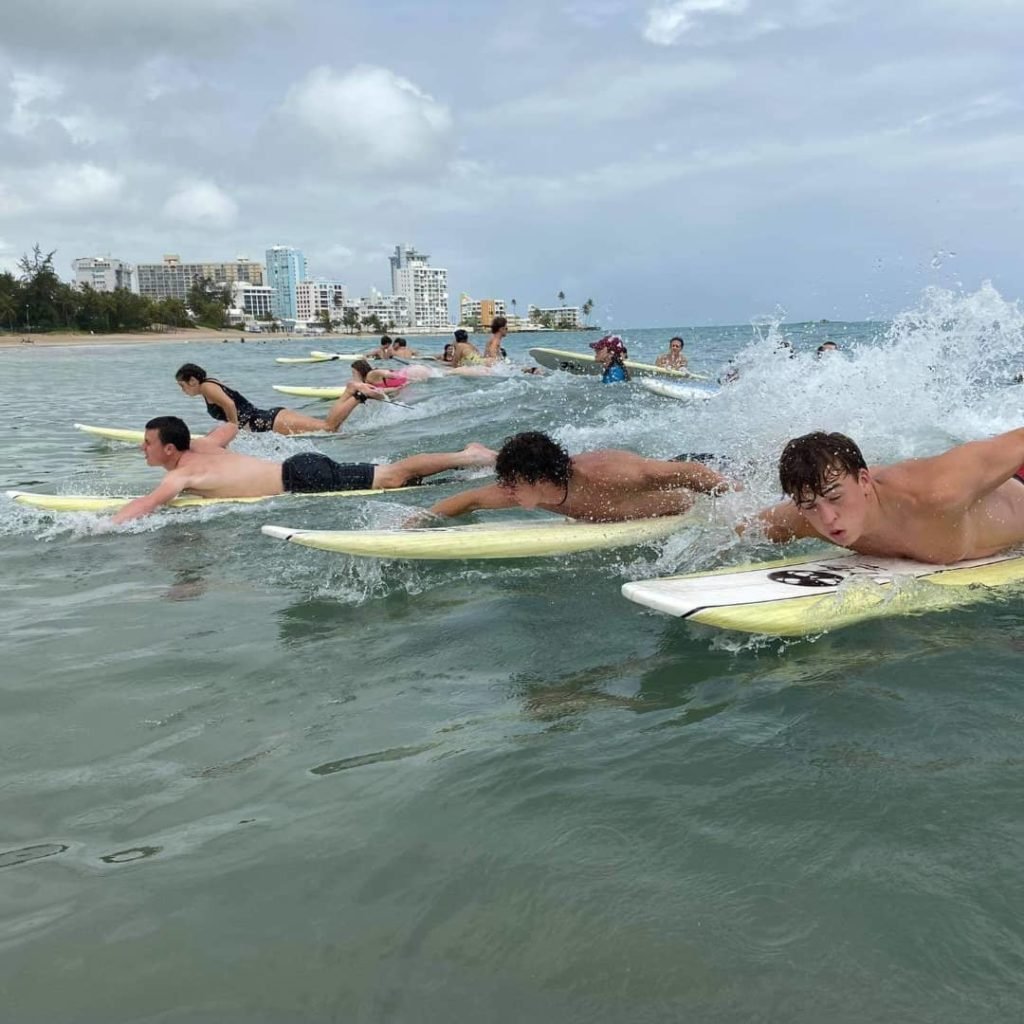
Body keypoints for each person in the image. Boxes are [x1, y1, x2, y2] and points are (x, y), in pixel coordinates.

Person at [111, 416, 497, 524]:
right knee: (393, 477)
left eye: (147, 443)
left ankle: (469, 456)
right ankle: (463, 461)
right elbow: (229, 426)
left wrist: (101, 524)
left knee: (393, 475)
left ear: (169, 449)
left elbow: (148, 505)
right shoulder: (206, 446)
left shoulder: (180, 476)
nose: (141, 449)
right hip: (300, 469)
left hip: (302, 478)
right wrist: (206, 434)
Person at [752, 430, 1024, 564]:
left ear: (864, 481)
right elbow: (749, 530)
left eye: (835, 497)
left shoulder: (937, 492)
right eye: (809, 505)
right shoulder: (806, 518)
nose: (827, 518)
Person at [427, 431, 728, 523]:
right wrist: (416, 524)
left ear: (537, 478)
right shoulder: (528, 491)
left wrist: (737, 498)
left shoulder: (608, 474)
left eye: (511, 481)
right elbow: (469, 501)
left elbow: (691, 472)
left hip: (701, 468)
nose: (505, 489)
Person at [174, 363, 377, 434]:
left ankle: (356, 396)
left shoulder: (207, 387)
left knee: (328, 428)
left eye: (182, 385)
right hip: (269, 417)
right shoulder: (211, 383)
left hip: (268, 422)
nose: (182, 390)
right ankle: (349, 392)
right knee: (330, 428)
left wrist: (233, 429)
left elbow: (228, 404)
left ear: (192, 380)